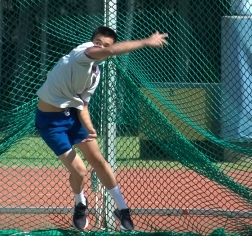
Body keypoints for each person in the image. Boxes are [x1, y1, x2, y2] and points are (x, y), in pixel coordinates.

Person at [35, 26, 169, 231]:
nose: (101, 47)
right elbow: (111, 51)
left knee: (98, 160)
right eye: (98, 42)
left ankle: (122, 209)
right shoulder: (82, 53)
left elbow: (82, 105)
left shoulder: (95, 74)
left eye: (106, 45)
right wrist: (146, 42)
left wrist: (89, 127)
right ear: (92, 42)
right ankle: (80, 203)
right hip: (50, 123)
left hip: (73, 117)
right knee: (80, 171)